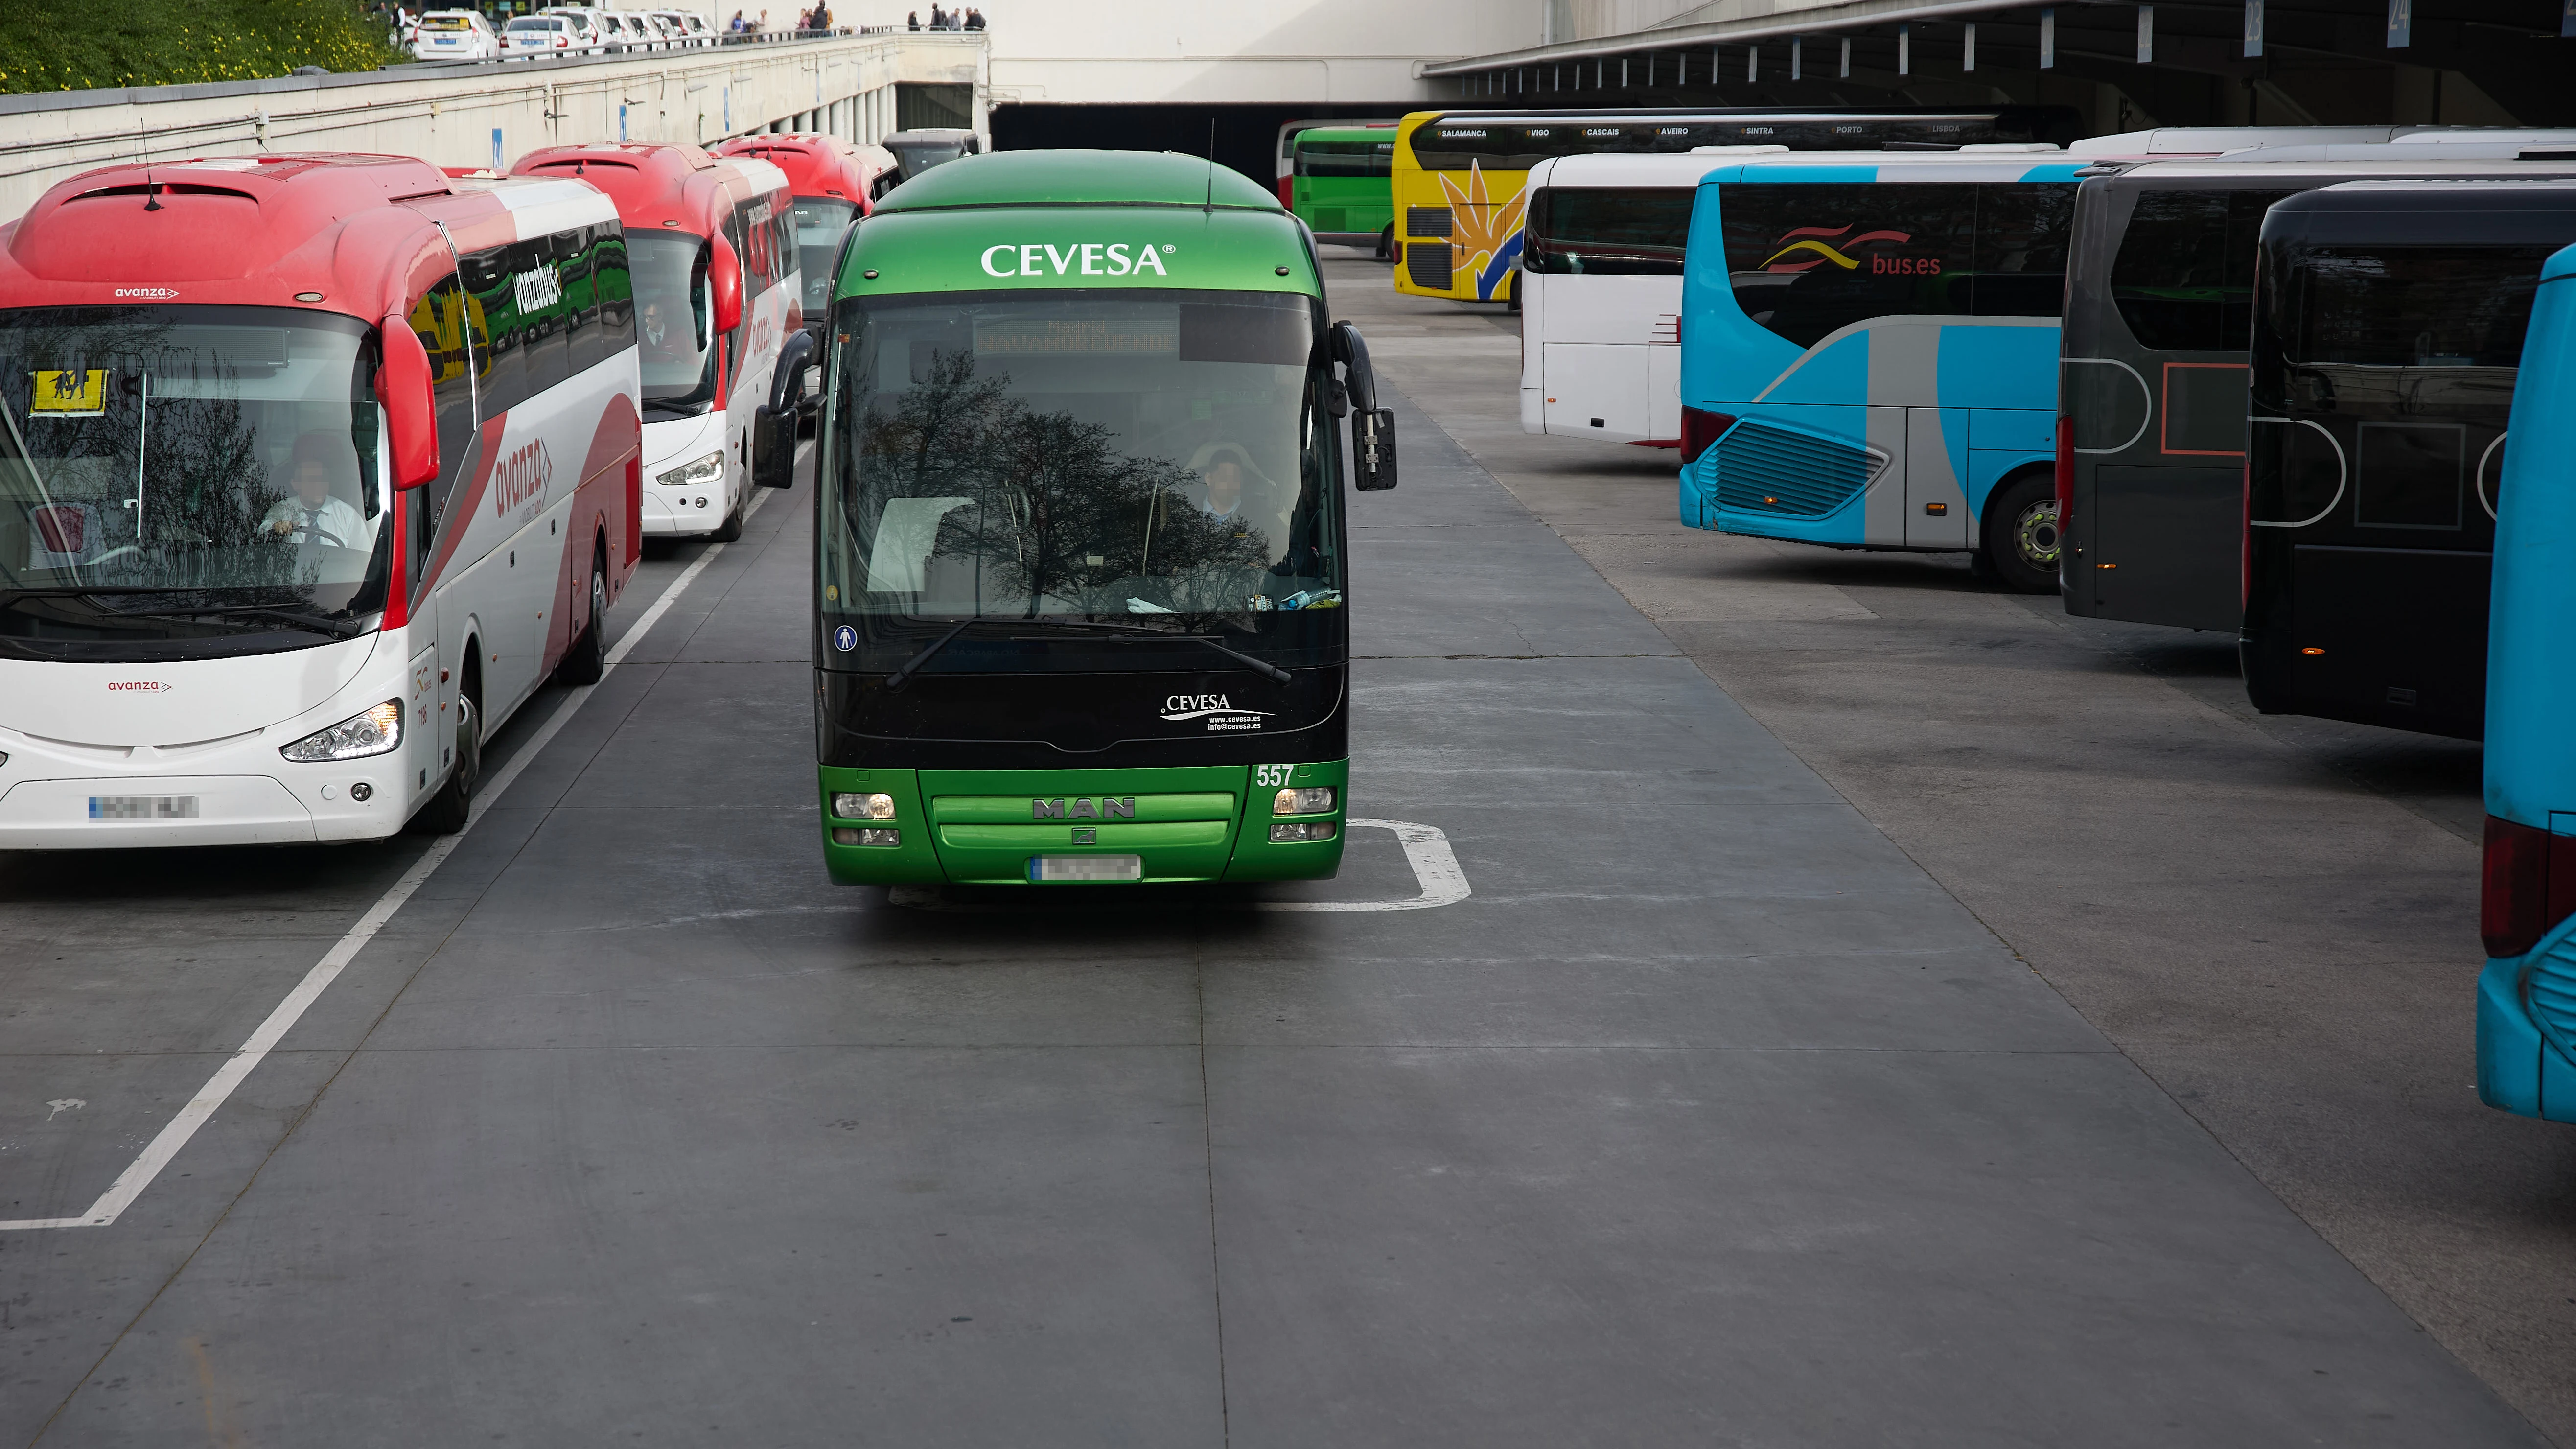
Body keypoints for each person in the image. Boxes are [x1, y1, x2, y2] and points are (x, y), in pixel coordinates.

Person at [262, 433, 366, 551]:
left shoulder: (347, 515)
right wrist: (275, 527)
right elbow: (262, 532)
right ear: (296, 485)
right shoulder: (282, 510)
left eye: (322, 479)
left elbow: (364, 556)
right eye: (311, 480)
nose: (318, 485)